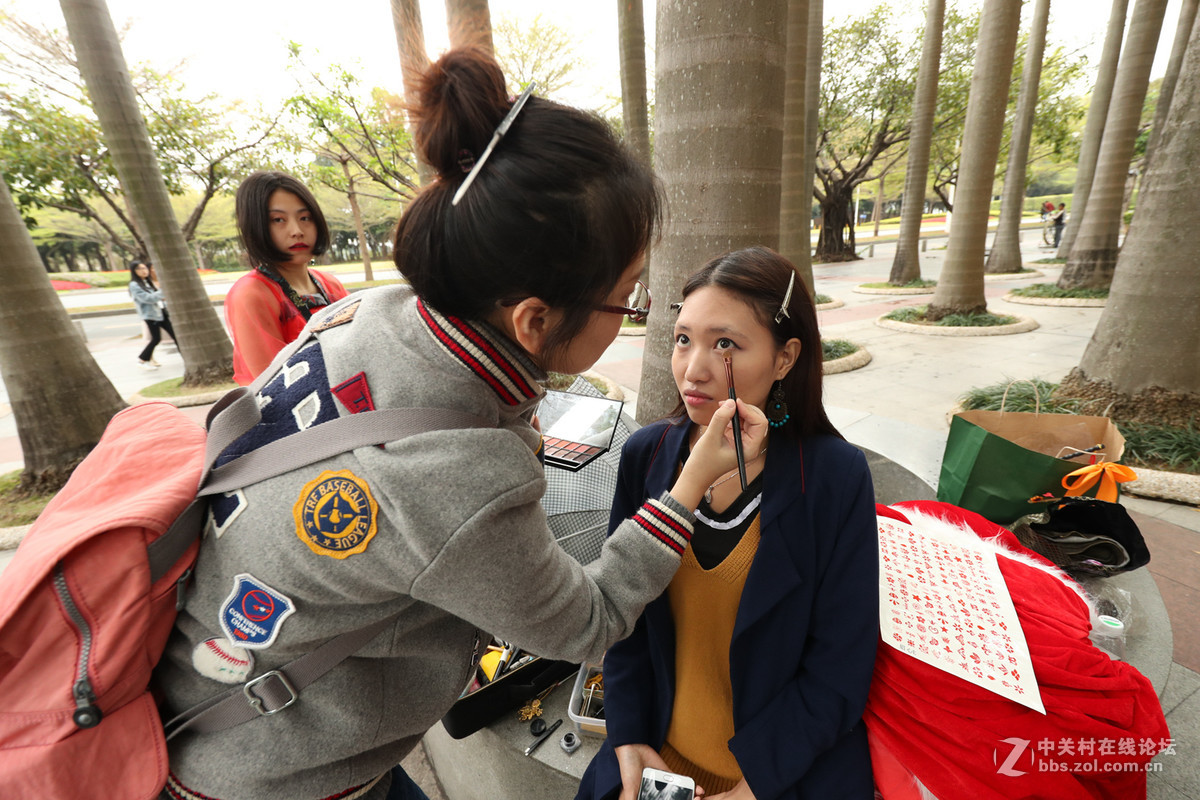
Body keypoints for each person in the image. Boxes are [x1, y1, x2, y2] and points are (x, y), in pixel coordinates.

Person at [153, 49, 767, 800]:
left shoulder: (367, 311)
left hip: (218, 690)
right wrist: (690, 484)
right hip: (277, 773)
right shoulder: (457, 476)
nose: (680, 354)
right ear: (535, 320)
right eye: (629, 298)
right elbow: (591, 619)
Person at [577, 247, 880, 800]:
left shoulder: (835, 477)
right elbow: (624, 618)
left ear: (785, 358)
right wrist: (626, 738)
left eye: (726, 345)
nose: (694, 368)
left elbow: (841, 663)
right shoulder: (647, 455)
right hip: (655, 760)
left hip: (781, 773)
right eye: (683, 338)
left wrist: (752, 788)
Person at [225, 170, 349, 384]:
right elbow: (273, 384)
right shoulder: (252, 294)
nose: (297, 230)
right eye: (278, 220)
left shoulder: (329, 283)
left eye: (305, 218)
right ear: (256, 226)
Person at [128, 259, 174, 370]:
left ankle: (143, 360)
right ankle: (142, 360)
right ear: (134, 271)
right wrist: (163, 290)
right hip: (151, 315)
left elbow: (158, 297)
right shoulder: (134, 285)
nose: (143, 271)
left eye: (144, 268)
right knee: (156, 338)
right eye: (139, 268)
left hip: (161, 312)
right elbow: (147, 298)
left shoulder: (147, 281)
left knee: (175, 335)